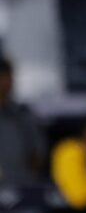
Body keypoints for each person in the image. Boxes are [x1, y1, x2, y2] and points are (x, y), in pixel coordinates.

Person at [0, 56, 46, 185]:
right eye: (2, 77)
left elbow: (37, 154)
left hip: (21, 187)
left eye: (7, 77)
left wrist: (28, 178)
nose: (5, 82)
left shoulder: (23, 115)